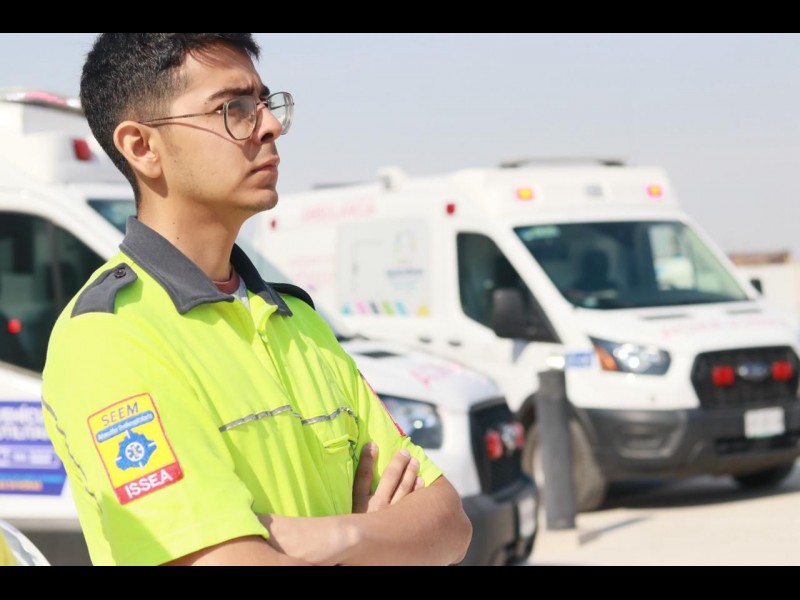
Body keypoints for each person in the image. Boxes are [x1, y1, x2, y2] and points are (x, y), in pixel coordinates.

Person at [41, 33, 472, 567]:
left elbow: (451, 524)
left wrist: (341, 537)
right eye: (234, 109)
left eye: (265, 103)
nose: (269, 126)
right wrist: (379, 539)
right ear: (142, 147)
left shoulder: (298, 321)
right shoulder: (111, 336)